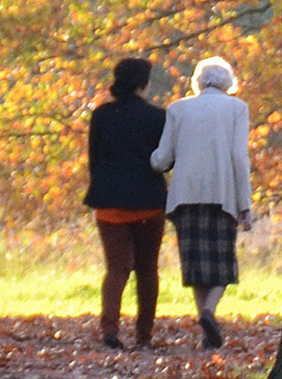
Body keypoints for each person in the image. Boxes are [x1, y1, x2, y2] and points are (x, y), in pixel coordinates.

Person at [150, 56, 251, 350]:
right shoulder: (237, 108)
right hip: (222, 196)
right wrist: (244, 203)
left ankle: (205, 325)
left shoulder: (178, 109)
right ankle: (209, 313)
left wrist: (148, 160)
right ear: (228, 83)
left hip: (185, 196)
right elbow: (238, 158)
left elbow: (162, 158)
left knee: (195, 263)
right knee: (222, 263)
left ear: (197, 80)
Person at [83, 56, 168, 350]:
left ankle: (110, 329)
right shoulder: (158, 116)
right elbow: (165, 161)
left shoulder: (101, 115)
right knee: (147, 270)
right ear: (143, 84)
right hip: (149, 203)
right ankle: (144, 335)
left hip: (109, 204)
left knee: (117, 268)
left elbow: (94, 160)